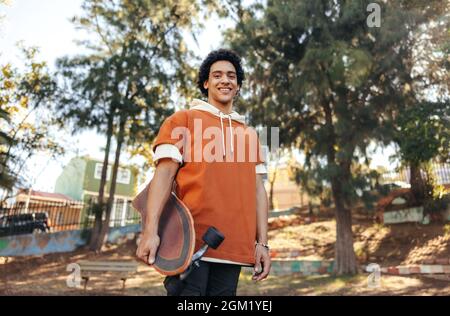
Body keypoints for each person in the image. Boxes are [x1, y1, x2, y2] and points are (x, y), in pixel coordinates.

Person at [136, 48, 271, 296]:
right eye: (217, 75)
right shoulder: (183, 121)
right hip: (189, 244)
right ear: (206, 83)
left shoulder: (251, 136)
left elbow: (258, 191)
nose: (225, 80)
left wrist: (262, 243)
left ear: (238, 86)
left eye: (231, 76)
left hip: (233, 248)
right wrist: (150, 231)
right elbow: (163, 177)